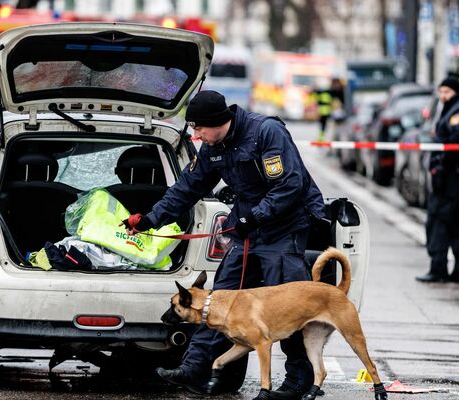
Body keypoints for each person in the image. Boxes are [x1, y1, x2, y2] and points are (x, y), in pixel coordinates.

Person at [123, 90, 326, 398]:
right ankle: (194, 369)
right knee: (213, 303)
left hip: (283, 230)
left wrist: (253, 217)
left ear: (219, 122)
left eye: (199, 128)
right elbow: (187, 187)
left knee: (287, 309)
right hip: (248, 231)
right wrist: (151, 219)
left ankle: (298, 380)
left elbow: (289, 184)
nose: (196, 135)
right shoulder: (212, 146)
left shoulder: (265, 132)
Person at [416, 77, 459, 284]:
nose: (443, 96)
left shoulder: (458, 112)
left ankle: (441, 269)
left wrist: (441, 166)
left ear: (456, 92)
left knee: (441, 223)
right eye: (441, 92)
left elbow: (457, 141)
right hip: (455, 178)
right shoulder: (451, 110)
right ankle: (457, 271)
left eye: (447, 92)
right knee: (457, 223)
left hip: (454, 179)